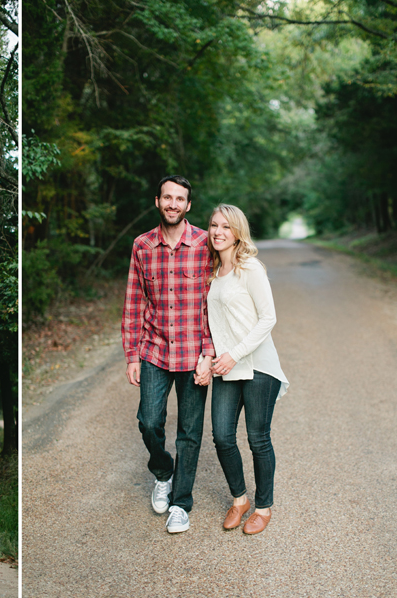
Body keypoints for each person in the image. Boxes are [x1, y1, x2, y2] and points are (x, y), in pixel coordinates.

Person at [121, 174, 215, 534]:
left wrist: (208, 353)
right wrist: (132, 355)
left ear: (188, 206)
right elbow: (133, 303)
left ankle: (181, 503)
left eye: (180, 199)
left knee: (190, 433)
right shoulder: (142, 245)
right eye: (167, 197)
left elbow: (214, 306)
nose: (173, 204)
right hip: (155, 351)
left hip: (194, 355)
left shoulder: (207, 244)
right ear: (157, 202)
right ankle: (163, 472)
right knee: (148, 420)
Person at [203, 204, 289, 535]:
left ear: (238, 232)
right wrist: (210, 356)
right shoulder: (213, 272)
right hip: (226, 365)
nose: (218, 231)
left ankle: (263, 506)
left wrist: (235, 354)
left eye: (226, 226)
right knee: (222, 436)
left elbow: (268, 318)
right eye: (213, 225)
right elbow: (215, 324)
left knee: (257, 438)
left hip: (257, 365)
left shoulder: (250, 268)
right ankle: (239, 499)